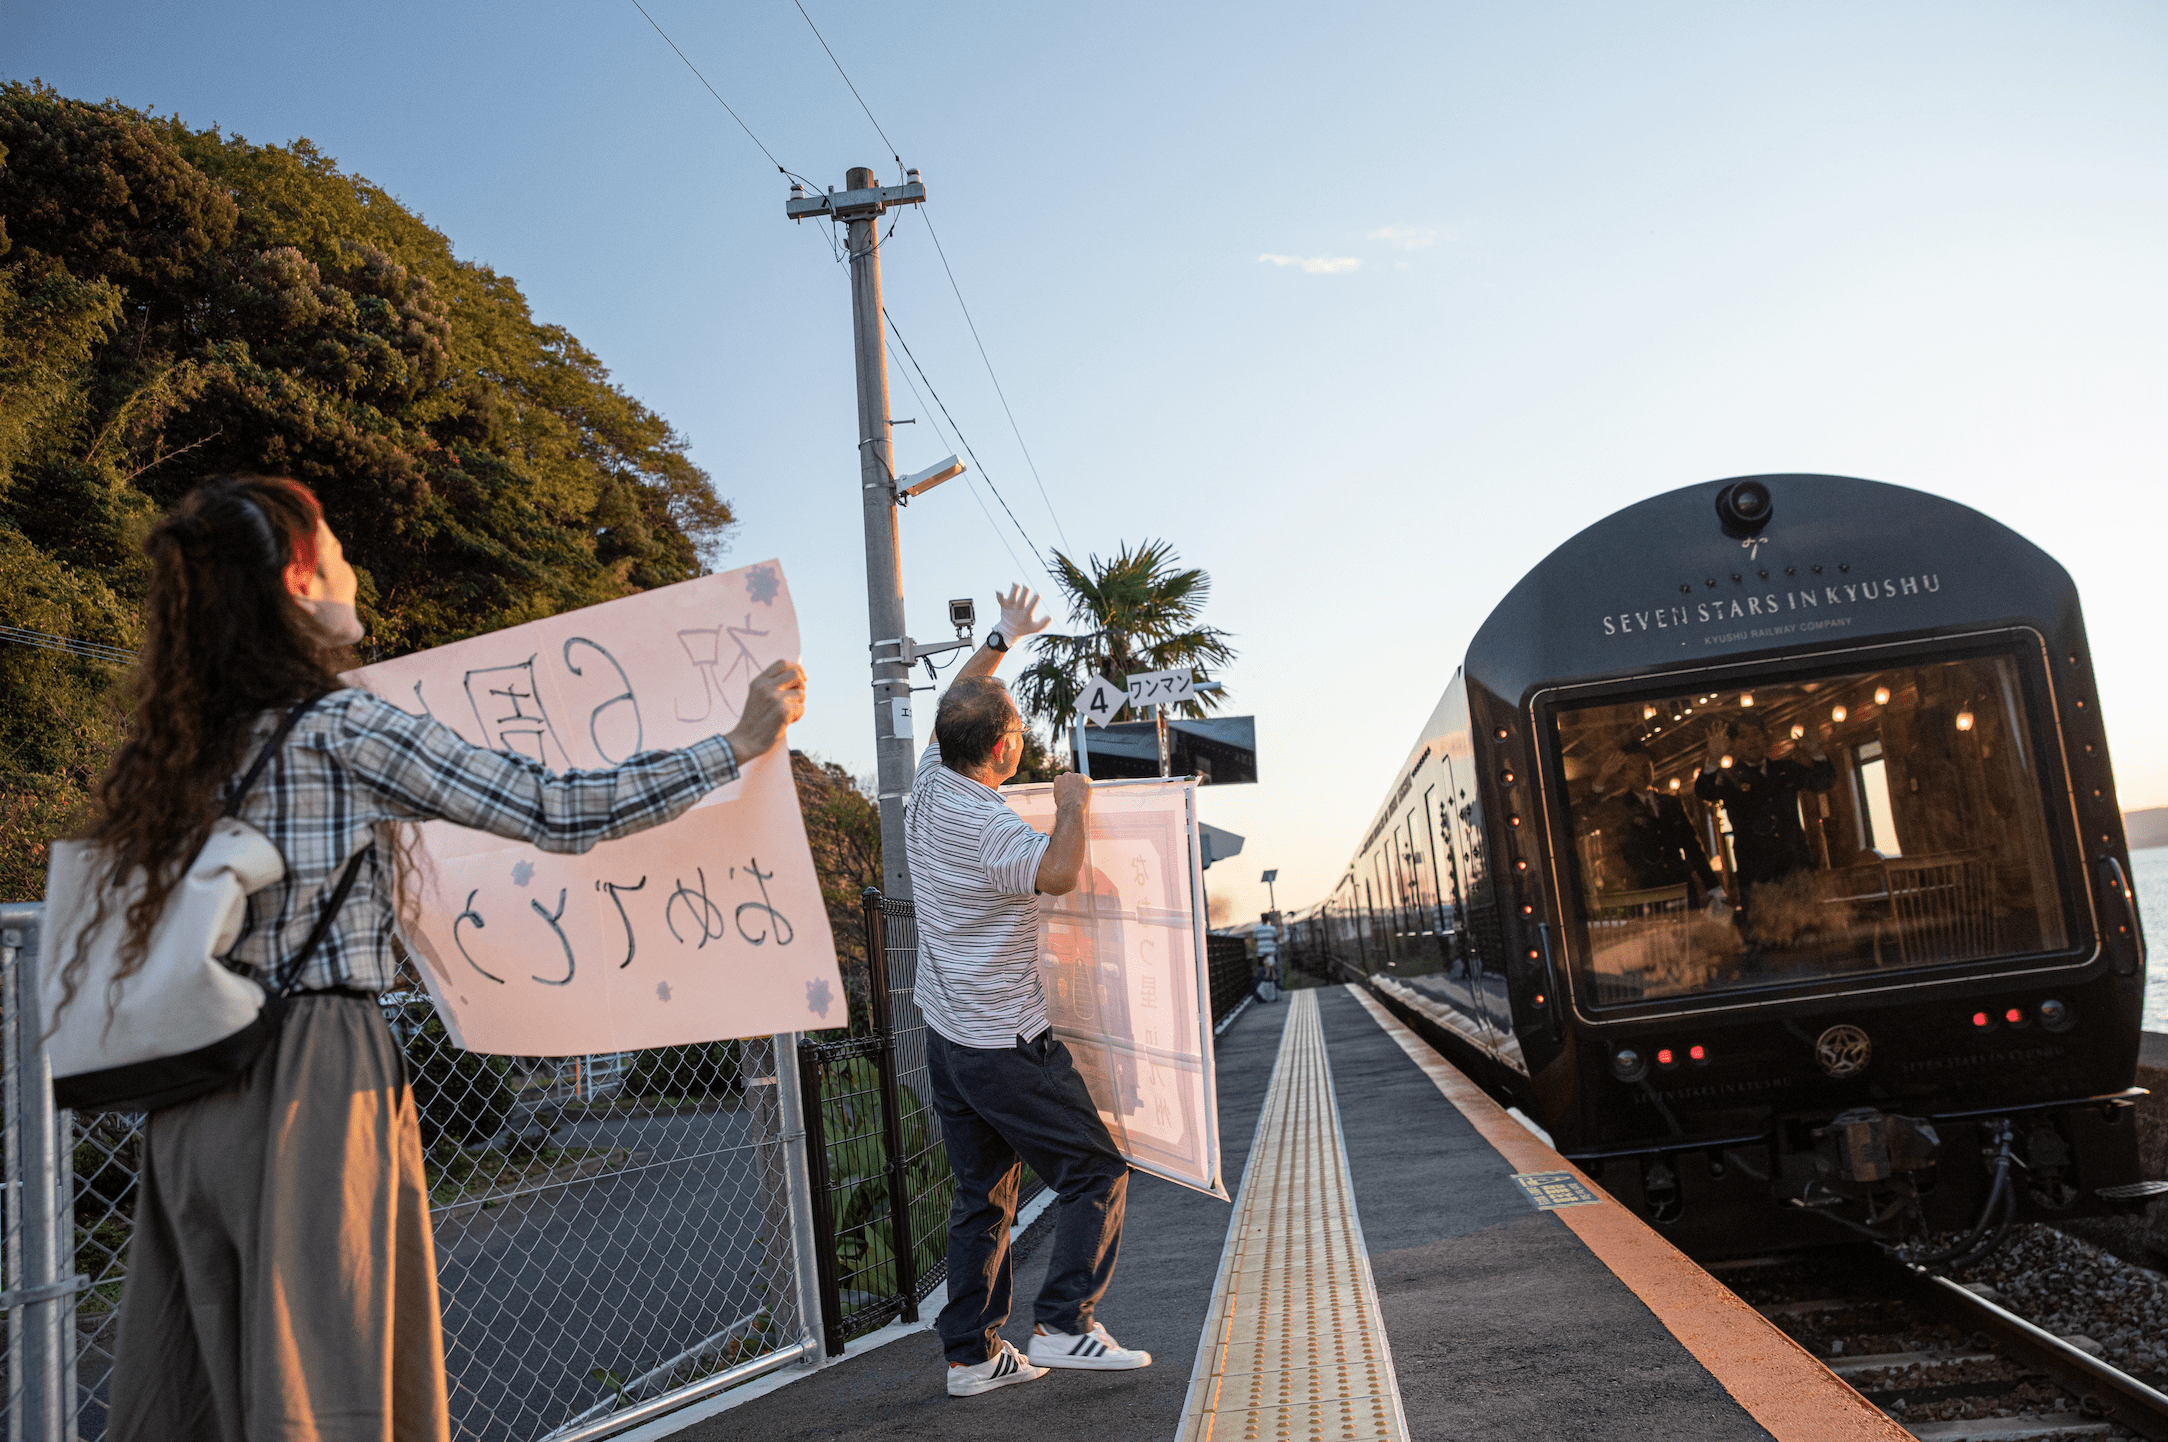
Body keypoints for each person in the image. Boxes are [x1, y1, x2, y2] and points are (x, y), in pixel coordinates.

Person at [68, 474, 806, 1442]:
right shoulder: (335, 727)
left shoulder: (177, 752)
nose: (354, 567)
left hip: (186, 1094)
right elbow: (554, 806)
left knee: (200, 1378)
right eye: (334, 550)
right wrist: (735, 741)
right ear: (295, 581)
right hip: (308, 1076)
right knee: (324, 1377)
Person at [905, 585, 1151, 1398]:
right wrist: (1072, 805)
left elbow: (957, 702)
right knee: (1095, 1171)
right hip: (1006, 1044)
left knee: (983, 1197)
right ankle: (1064, 1324)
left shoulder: (929, 787)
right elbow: (1055, 872)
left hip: (949, 1037)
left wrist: (1005, 636)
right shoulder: (991, 826)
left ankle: (971, 1357)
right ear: (1006, 751)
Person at [1694, 716, 1834, 924]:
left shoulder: (1785, 770)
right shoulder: (1730, 778)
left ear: (1766, 738)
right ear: (1734, 744)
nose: (1752, 741)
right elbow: (1704, 791)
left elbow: (1823, 781)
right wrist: (1713, 760)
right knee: (1766, 936)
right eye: (1744, 736)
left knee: (1807, 929)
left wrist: (1816, 751)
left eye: (1756, 734)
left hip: (1795, 869)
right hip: (1757, 875)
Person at [1589, 744, 1717, 903]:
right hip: (1645, 892)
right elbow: (1589, 812)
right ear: (1624, 775)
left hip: (1680, 886)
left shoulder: (1671, 803)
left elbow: (1692, 846)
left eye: (1645, 766)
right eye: (1633, 767)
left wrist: (1713, 886)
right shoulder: (1618, 806)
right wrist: (1602, 777)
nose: (1641, 772)